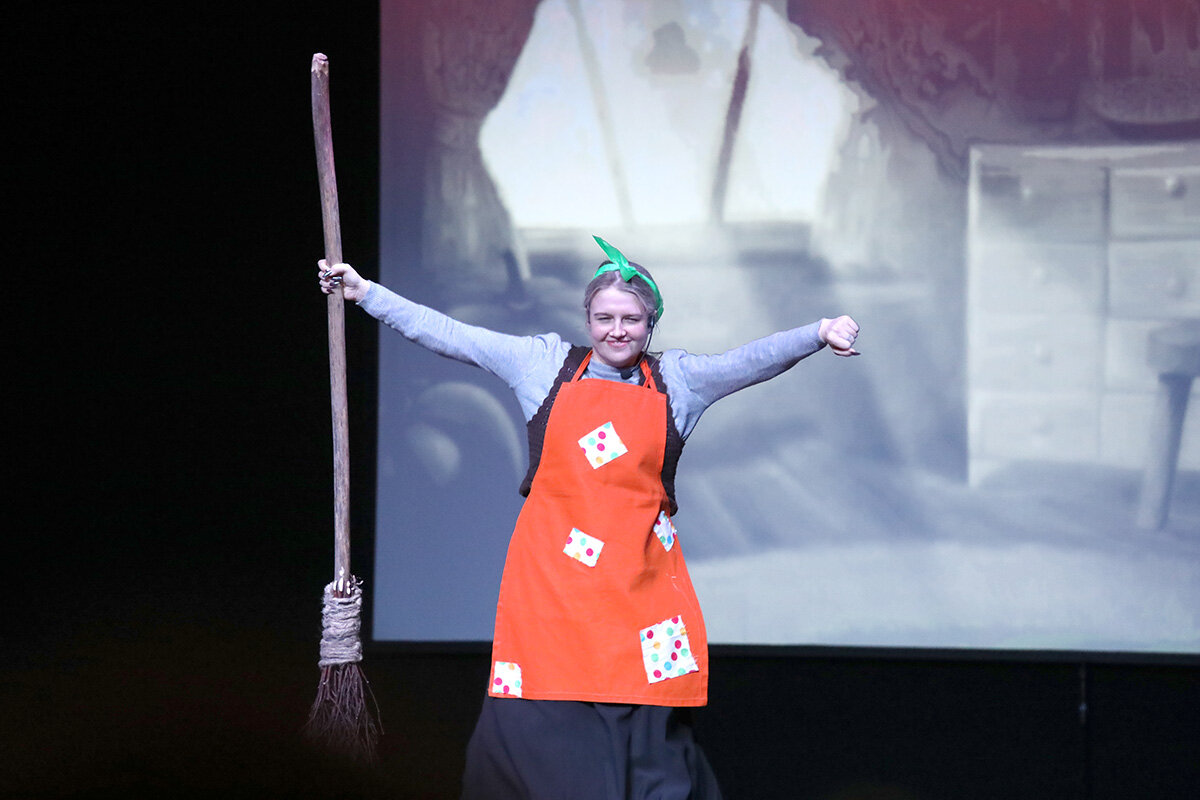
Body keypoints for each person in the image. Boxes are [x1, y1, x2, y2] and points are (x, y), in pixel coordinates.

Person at [318, 237, 859, 799]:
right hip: (553, 585)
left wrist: (818, 333)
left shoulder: (678, 381)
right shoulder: (543, 365)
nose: (617, 331)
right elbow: (453, 335)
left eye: (632, 320)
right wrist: (365, 293)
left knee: (648, 732)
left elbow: (748, 362)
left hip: (642, 588)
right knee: (542, 722)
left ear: (651, 323)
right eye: (604, 318)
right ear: (587, 318)